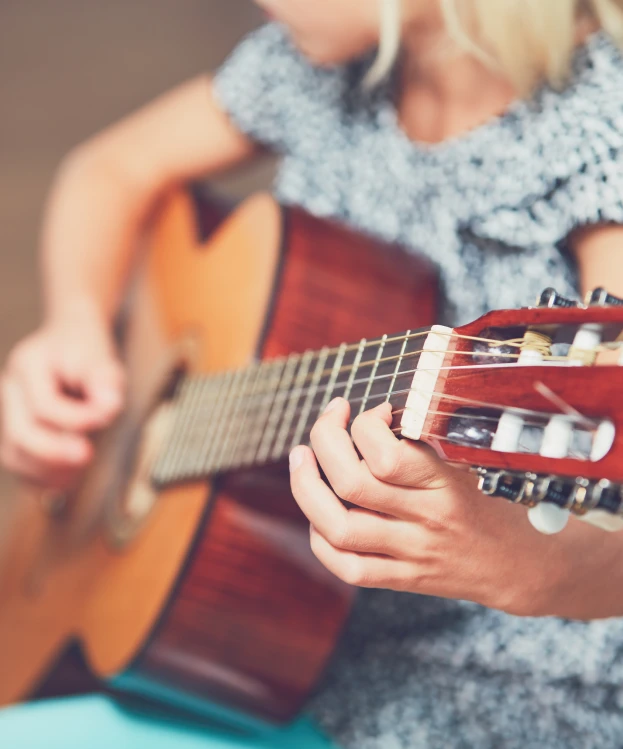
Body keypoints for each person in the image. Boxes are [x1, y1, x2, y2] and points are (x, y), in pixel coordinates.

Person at [3, 0, 623, 747]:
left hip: (496, 689)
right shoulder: (313, 66)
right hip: (269, 638)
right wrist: (76, 323)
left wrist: (523, 567)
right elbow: (106, 169)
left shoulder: (599, 128)